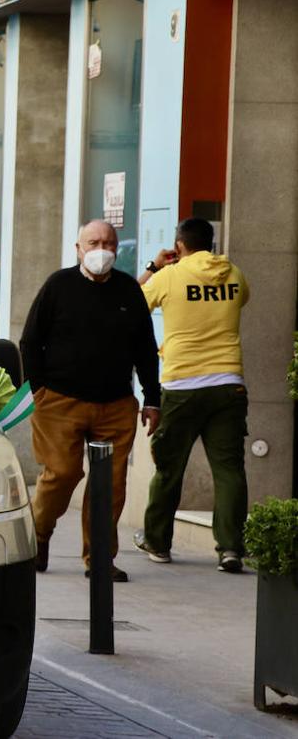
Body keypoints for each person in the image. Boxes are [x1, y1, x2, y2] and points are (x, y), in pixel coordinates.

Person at [19, 220, 161, 582]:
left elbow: (146, 349)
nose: (103, 249)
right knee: (62, 474)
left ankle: (98, 558)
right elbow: (30, 341)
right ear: (78, 248)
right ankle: (37, 537)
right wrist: (37, 390)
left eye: (110, 243)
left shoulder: (129, 290)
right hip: (59, 402)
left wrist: (152, 398)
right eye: (94, 242)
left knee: (111, 486)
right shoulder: (58, 286)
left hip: (115, 404)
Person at [134, 218, 251, 574]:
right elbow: (242, 300)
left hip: (182, 384)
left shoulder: (170, 276)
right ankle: (230, 548)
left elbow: (131, 303)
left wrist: (154, 267)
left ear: (179, 245)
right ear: (211, 243)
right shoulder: (233, 275)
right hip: (228, 384)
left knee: (169, 467)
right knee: (229, 469)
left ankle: (157, 542)